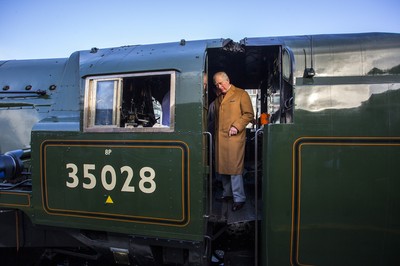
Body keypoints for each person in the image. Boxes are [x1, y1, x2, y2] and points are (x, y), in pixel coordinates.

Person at [213, 72, 254, 211]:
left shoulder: (241, 94)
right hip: (221, 138)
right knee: (223, 168)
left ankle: (239, 198)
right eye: (217, 84)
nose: (219, 86)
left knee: (234, 170)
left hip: (234, 138)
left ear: (228, 80)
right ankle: (227, 194)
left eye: (221, 83)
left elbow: (249, 114)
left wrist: (236, 126)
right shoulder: (219, 98)